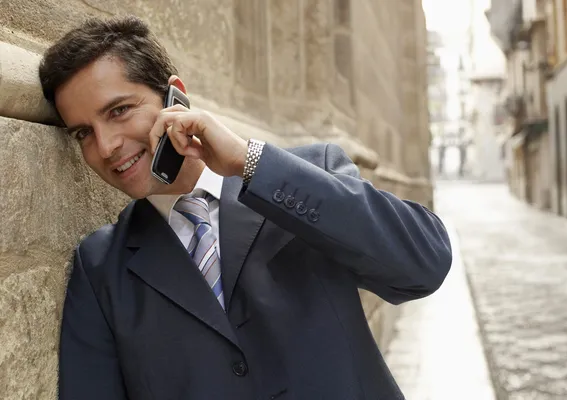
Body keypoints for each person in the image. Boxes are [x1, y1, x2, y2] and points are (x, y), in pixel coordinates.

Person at [39, 15, 452, 400]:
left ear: (174, 98)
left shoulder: (308, 176)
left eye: (119, 111)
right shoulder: (100, 267)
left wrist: (251, 163)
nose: (106, 145)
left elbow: (423, 265)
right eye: (83, 134)